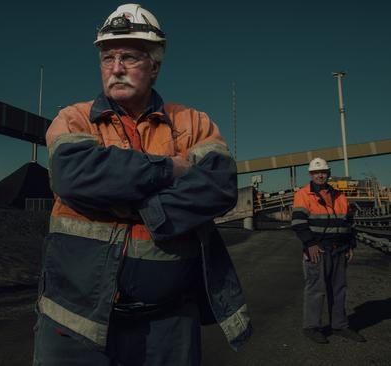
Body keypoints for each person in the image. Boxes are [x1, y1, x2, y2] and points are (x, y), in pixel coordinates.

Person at [33, 4, 251, 365]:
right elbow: (74, 176)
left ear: (155, 66)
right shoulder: (73, 118)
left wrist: (135, 206)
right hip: (75, 320)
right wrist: (170, 168)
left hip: (169, 321)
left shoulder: (193, 123)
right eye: (108, 57)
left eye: (129, 57)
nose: (116, 68)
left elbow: (220, 185)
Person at [291, 157, 365, 343]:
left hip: (339, 249)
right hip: (318, 249)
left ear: (328, 173)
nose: (320, 175)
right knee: (315, 289)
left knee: (339, 288)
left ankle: (339, 325)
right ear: (311, 174)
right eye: (316, 172)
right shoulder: (303, 194)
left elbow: (348, 223)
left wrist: (349, 245)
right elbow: (298, 223)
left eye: (323, 172)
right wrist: (310, 244)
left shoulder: (339, 195)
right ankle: (312, 327)